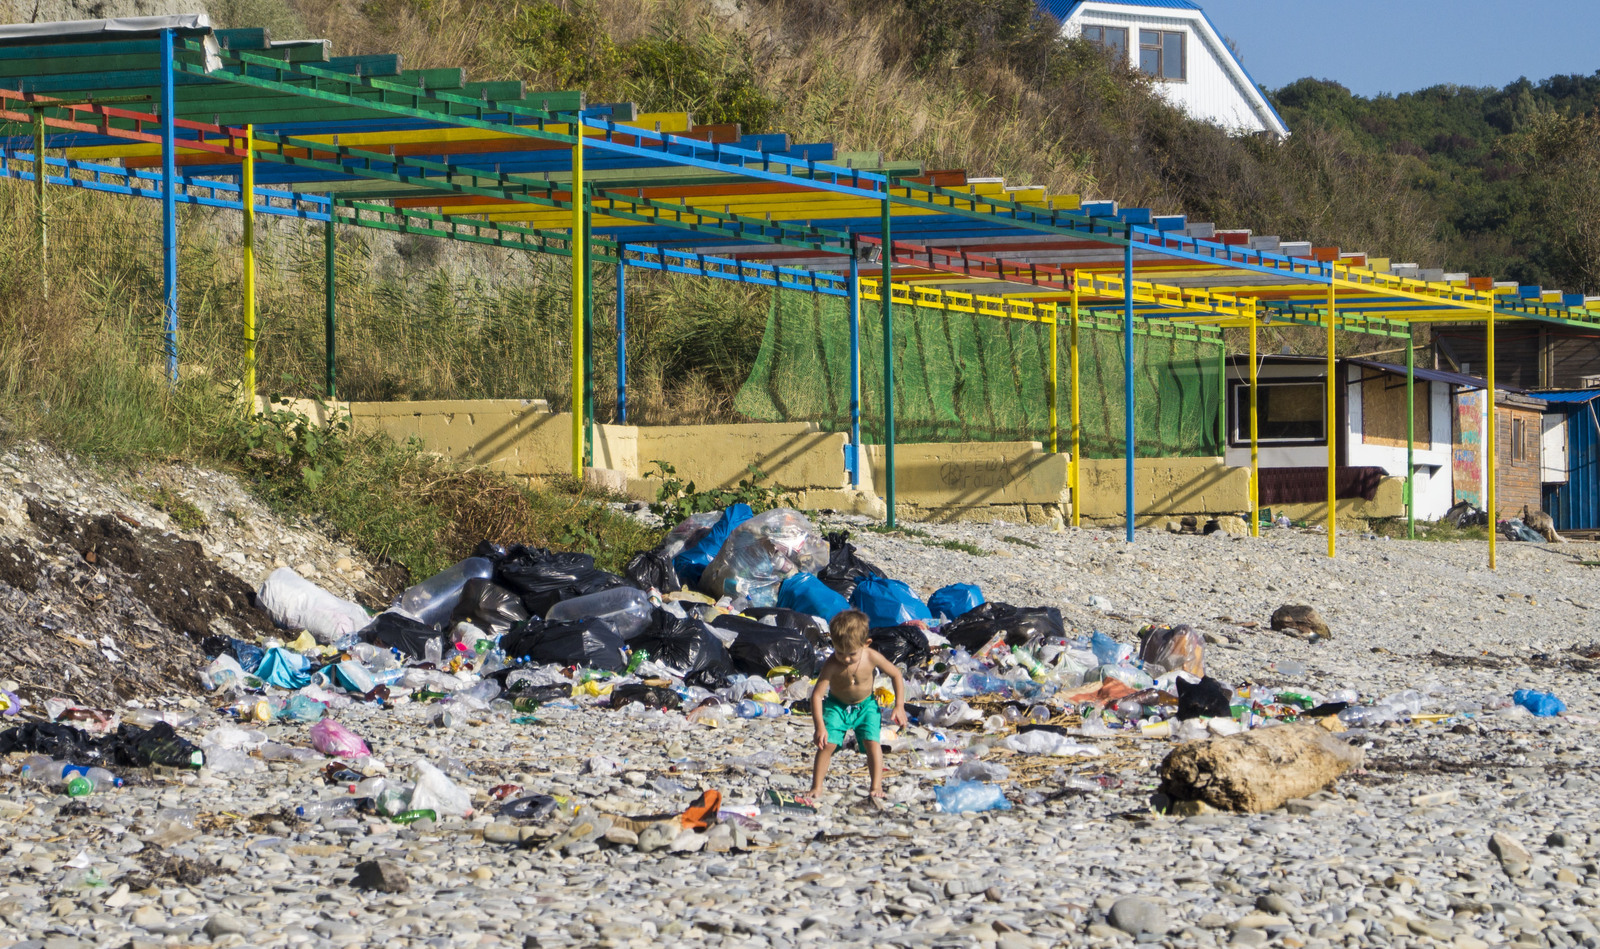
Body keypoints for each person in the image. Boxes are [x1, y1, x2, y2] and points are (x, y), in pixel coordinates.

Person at [808, 609, 908, 800]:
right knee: (827, 745)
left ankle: (876, 785)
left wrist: (899, 705)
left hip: (866, 706)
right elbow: (817, 695)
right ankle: (817, 786)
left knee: (872, 742)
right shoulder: (832, 664)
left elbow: (896, 674)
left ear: (866, 643)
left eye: (851, 654)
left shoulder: (871, 656)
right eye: (839, 652)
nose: (845, 659)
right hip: (837, 706)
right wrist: (819, 727)